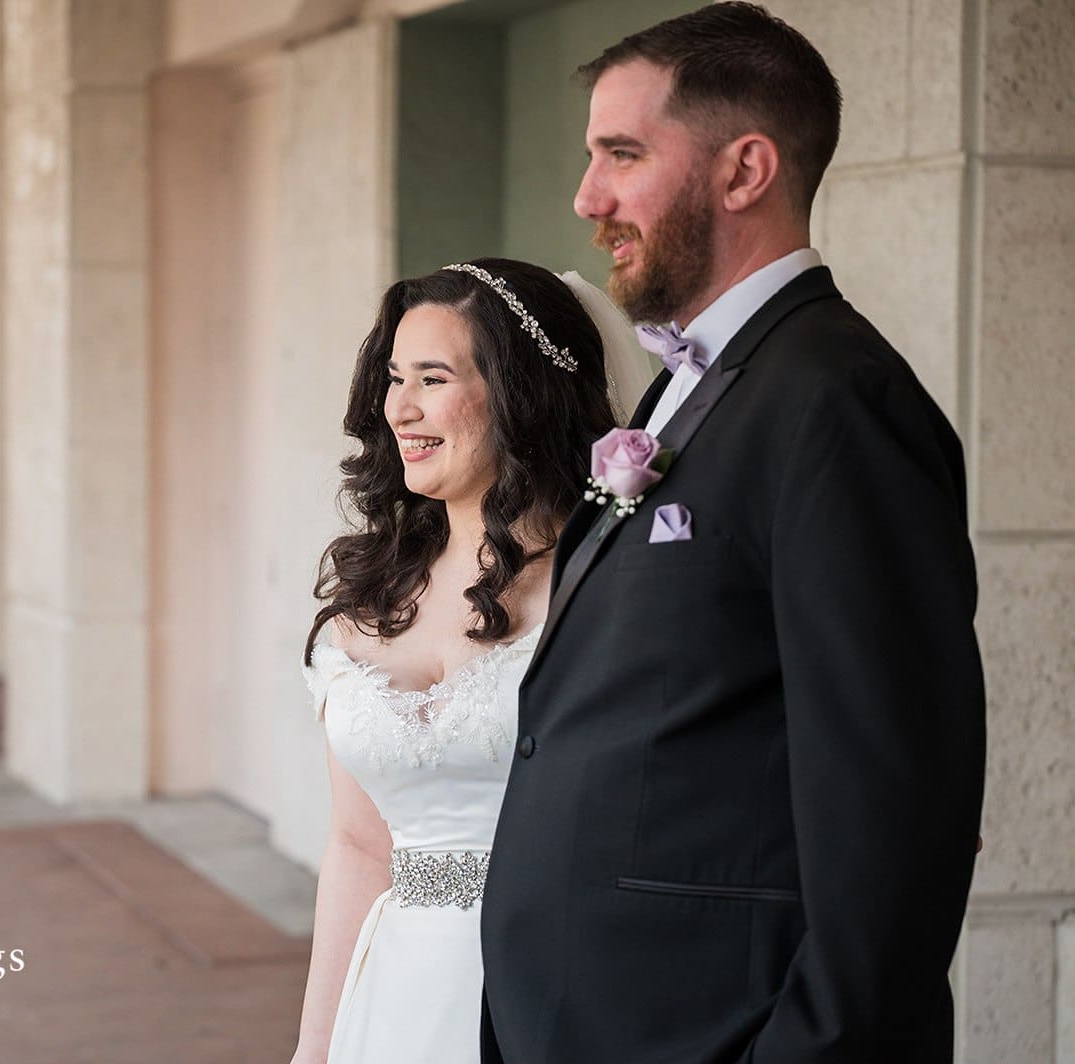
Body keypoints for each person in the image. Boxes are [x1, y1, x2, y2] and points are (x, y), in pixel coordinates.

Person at [479, 6, 986, 1062]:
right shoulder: (688, 383)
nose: (587, 198)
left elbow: (894, 807)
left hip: (707, 1027)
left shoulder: (837, 404)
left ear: (744, 170)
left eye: (622, 154)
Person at [291, 258, 654, 1064]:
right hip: (395, 1000)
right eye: (394, 378)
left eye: (433, 377)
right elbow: (358, 846)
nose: (402, 409)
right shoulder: (369, 595)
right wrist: (316, 1045)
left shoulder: (607, 590)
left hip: (557, 993)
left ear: (520, 393)